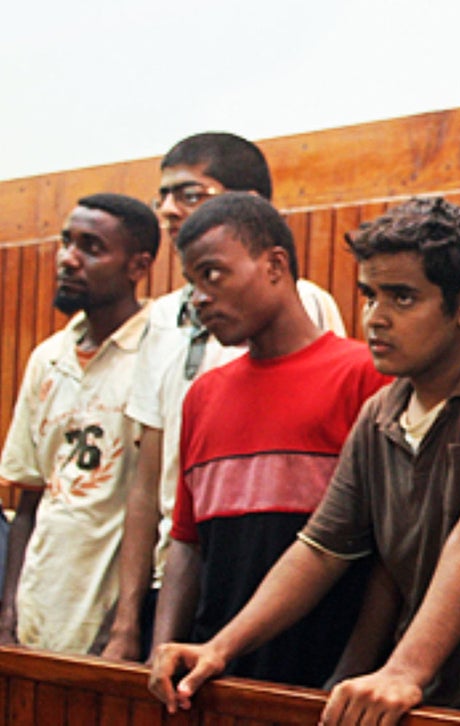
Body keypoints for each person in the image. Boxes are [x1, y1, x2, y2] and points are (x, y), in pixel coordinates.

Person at [148, 196, 460, 722]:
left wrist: (404, 669)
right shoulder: (380, 413)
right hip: (421, 701)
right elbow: (319, 549)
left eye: (402, 298)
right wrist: (220, 647)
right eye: (370, 295)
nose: (376, 318)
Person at [102, 132, 346, 662]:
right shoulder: (186, 360)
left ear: (275, 266)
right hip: (199, 600)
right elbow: (167, 508)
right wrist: (142, 633)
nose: (169, 209)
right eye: (193, 281)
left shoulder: (340, 351)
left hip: (316, 627)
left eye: (190, 193)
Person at [149, 192, 387, 687]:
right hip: (214, 678)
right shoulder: (203, 396)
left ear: (275, 265)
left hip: (328, 680)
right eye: (192, 282)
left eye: (212, 274)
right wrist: (160, 653)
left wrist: (351, 672)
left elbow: (390, 552)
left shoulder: (366, 376)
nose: (199, 298)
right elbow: (187, 544)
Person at [0, 193, 160, 653]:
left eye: (91, 248)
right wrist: (9, 613)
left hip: (114, 619)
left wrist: (125, 621)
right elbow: (29, 500)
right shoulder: (48, 357)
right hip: (40, 606)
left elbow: (161, 507)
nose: (68, 259)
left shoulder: (160, 350)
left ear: (138, 266)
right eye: (66, 242)